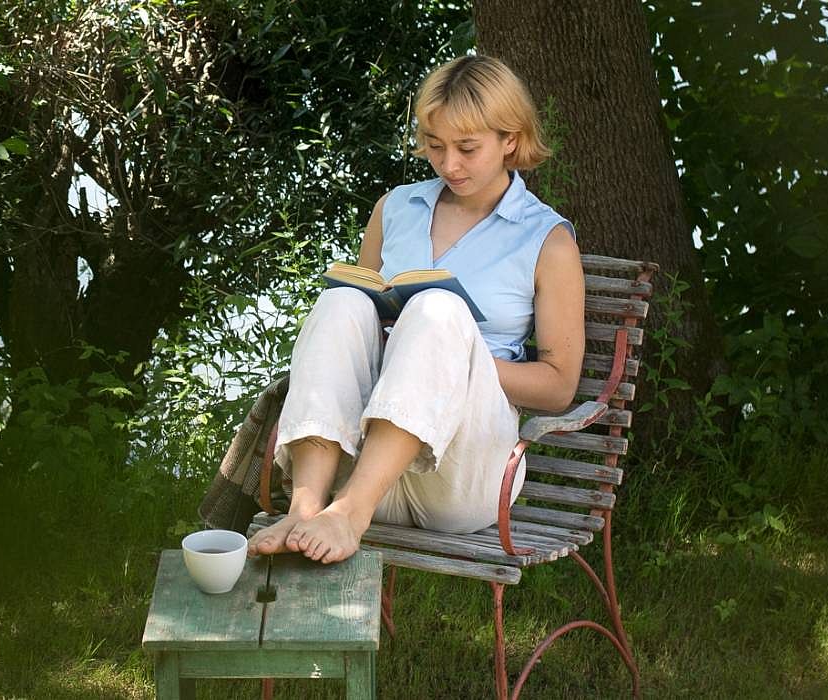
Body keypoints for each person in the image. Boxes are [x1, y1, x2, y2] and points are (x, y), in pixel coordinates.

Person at [246, 54, 586, 564]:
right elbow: (360, 318)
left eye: (467, 148)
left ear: (510, 140)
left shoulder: (547, 239)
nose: (449, 165)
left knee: (436, 311)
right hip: (365, 455)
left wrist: (454, 360)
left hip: (462, 480)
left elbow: (560, 387)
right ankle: (307, 504)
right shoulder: (396, 208)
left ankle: (350, 515)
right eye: (435, 146)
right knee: (343, 301)